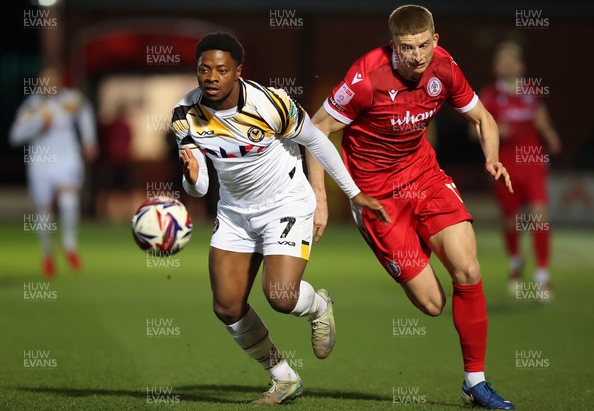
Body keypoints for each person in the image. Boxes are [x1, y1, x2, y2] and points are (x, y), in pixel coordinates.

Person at [308, 5, 515, 409]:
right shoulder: (365, 77)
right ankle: (406, 252)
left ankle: (475, 382)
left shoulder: (445, 68)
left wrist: (492, 156)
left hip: (424, 177)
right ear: (393, 46)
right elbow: (317, 129)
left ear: (435, 40)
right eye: (407, 48)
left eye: (423, 45)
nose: (417, 56)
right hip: (376, 197)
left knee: (469, 269)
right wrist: (320, 196)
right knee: (433, 304)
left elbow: (483, 118)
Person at [171, 32, 390, 405]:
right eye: (204, 69)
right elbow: (200, 186)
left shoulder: (271, 103)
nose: (211, 77)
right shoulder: (185, 114)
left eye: (221, 70)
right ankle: (283, 377)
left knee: (281, 296)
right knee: (226, 305)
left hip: (285, 203)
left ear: (238, 71)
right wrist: (191, 176)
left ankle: (319, 306)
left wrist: (352, 193)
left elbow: (317, 141)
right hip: (235, 213)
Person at [478, 41, 561, 296]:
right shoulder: (490, 95)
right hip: (506, 164)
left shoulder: (531, 91)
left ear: (520, 65)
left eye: (511, 60)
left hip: (533, 162)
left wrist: (550, 134)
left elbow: (540, 115)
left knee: (539, 216)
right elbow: (476, 129)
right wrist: (494, 132)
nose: (507, 65)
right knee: (511, 221)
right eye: (502, 61)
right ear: (496, 67)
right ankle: (515, 260)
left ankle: (542, 275)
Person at [9, 63, 98, 279]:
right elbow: (15, 136)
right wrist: (39, 125)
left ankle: (69, 243)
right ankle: (48, 253)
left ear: (59, 82)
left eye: (52, 81)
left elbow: (86, 113)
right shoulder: (31, 108)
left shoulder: (71, 101)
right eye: (44, 81)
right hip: (40, 164)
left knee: (69, 202)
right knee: (44, 211)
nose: (48, 85)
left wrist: (89, 140)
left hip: (67, 160)